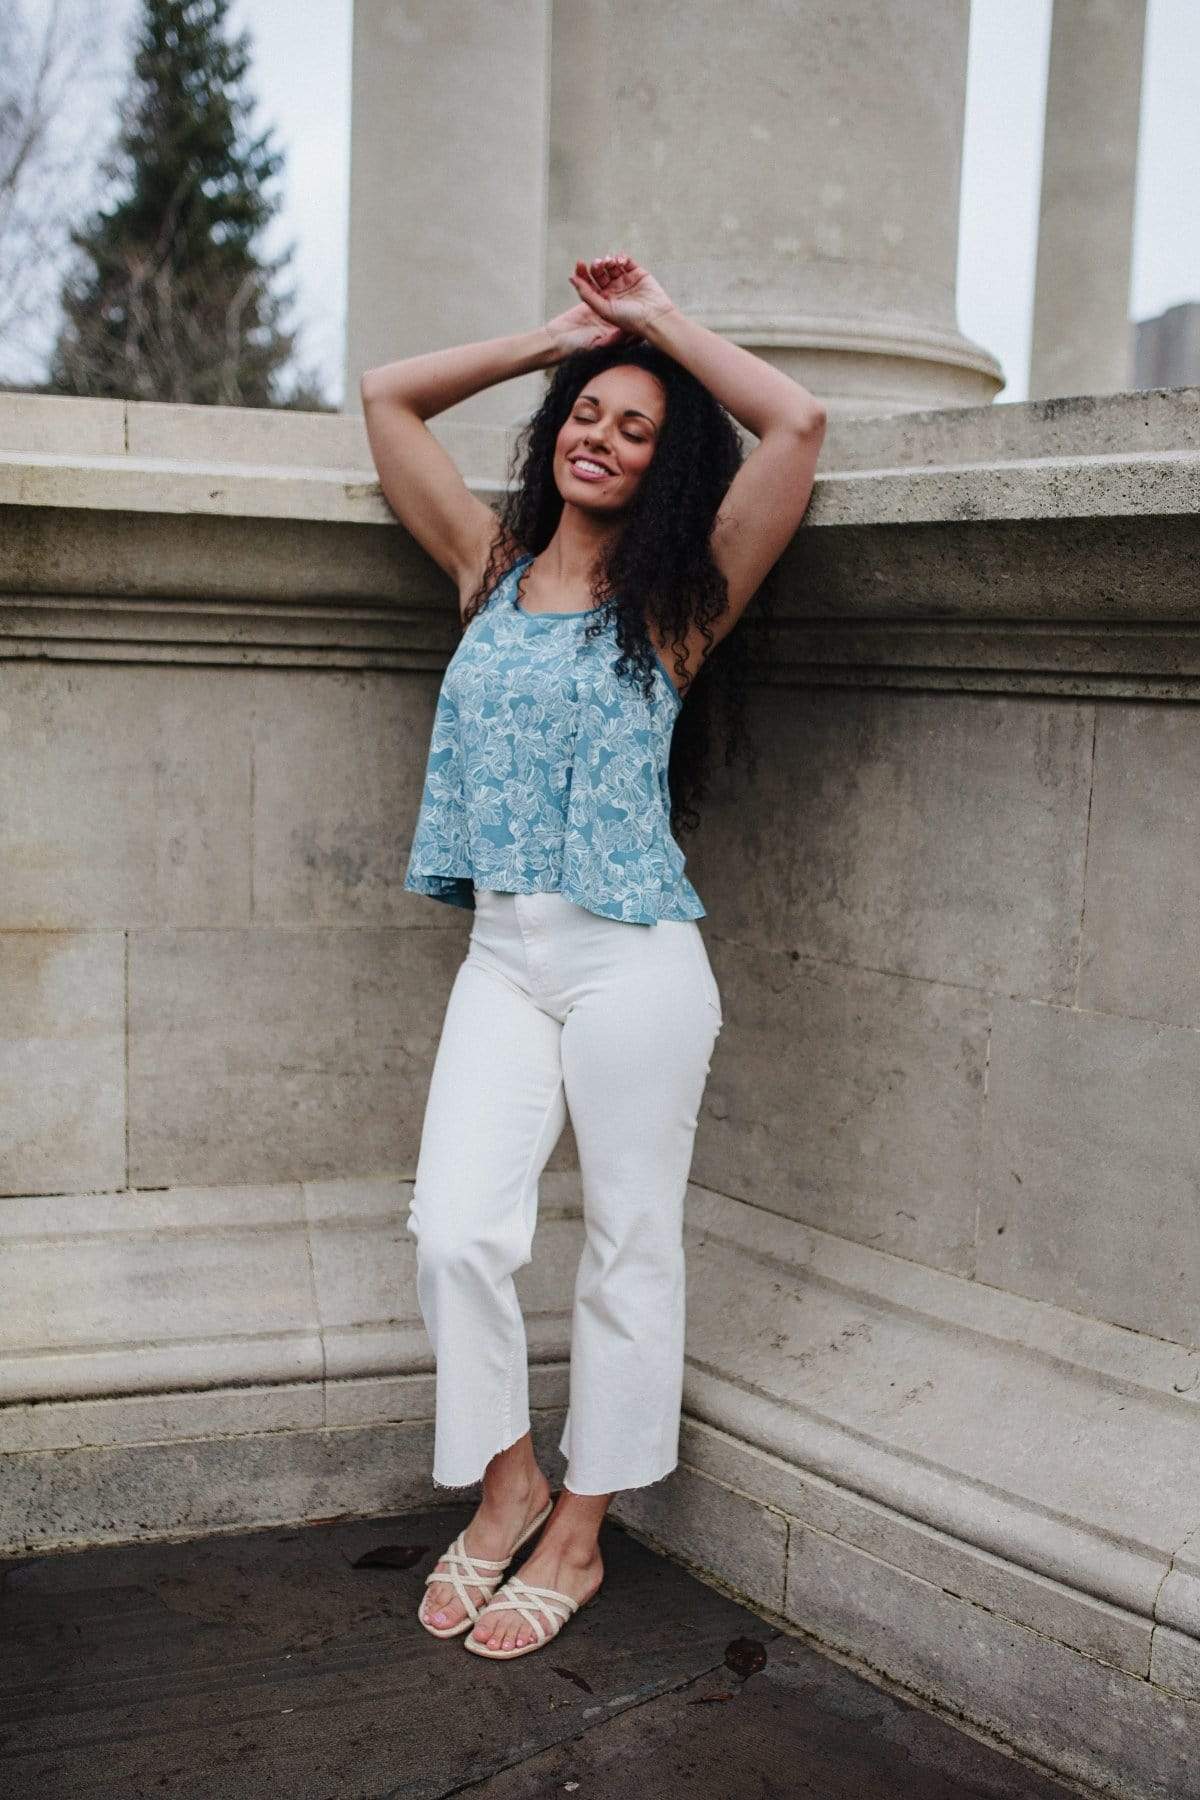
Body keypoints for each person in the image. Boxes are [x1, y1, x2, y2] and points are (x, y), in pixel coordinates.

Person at [360, 252, 825, 1661]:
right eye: (587, 412)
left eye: (636, 429)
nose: (602, 438)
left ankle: (581, 1527)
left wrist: (660, 323)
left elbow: (796, 425)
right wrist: (559, 339)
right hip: (502, 954)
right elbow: (387, 398)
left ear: (665, 466)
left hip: (635, 962)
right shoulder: (488, 569)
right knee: (455, 1230)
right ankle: (507, 1481)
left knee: (630, 1243)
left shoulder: (678, 600)